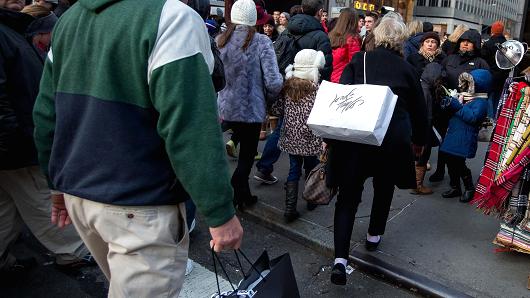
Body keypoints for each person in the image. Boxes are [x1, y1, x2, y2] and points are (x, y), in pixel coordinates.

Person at [32, 0, 244, 296]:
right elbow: (190, 128)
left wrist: (55, 186)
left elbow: (46, 116)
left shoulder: (70, 19)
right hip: (139, 203)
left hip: (80, 194)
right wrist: (220, 213)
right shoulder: (171, 18)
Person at [327, 17, 427, 285]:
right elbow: (419, 111)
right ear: (400, 41)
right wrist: (420, 139)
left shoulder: (359, 60)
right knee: (384, 188)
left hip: (356, 140)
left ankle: (340, 259)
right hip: (390, 143)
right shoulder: (407, 69)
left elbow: (342, 95)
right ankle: (373, 235)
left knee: (348, 198)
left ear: (377, 36)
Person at [0, 0, 95, 276]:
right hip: (16, 143)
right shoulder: (9, 32)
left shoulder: (12, 29)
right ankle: (72, 251)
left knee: (7, 205)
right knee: (38, 196)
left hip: (17, 138)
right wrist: (13, 143)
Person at [216, 0, 283, 209]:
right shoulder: (261, 42)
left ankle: (242, 196)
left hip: (227, 108)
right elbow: (273, 81)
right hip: (252, 108)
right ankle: (238, 183)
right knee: (247, 153)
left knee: (242, 150)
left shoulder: (220, 40)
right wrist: (271, 97)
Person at [270, 49, 324, 222]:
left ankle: (289, 209)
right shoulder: (317, 88)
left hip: (291, 136)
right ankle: (311, 199)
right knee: (311, 167)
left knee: (294, 169)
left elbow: (277, 110)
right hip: (310, 137)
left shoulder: (287, 86)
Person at [431, 29, 489, 182]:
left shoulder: (481, 63)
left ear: (475, 45)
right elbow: (441, 73)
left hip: (466, 108)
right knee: (443, 140)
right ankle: (440, 170)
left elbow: (485, 85)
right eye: (463, 41)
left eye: (469, 42)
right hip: (447, 104)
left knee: (457, 145)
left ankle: (456, 178)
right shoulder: (450, 58)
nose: (465, 43)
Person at [439, 70, 492, 202]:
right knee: (449, 161)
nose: (467, 86)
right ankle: (455, 187)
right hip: (453, 133)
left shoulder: (481, 102)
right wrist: (448, 103)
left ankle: (469, 188)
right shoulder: (465, 97)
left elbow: (473, 118)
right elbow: (455, 111)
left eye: (470, 83)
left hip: (465, 137)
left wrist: (456, 106)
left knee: (459, 164)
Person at [406, 31, 445, 195]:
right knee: (414, 140)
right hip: (414, 104)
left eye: (433, 42)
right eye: (427, 41)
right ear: (422, 44)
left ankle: (417, 182)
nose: (430, 44)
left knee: (426, 142)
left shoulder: (441, 60)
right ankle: (411, 180)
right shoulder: (414, 58)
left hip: (434, 107)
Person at [481, 21, 509, 119]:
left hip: (490, 74)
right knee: (498, 98)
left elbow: (483, 60)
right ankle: (496, 119)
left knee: (488, 97)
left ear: (492, 30)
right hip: (503, 75)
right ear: (502, 31)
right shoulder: (507, 44)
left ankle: (489, 119)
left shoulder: (488, 44)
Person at [329, 8, 361, 83]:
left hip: (330, 78)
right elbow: (355, 64)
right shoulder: (352, 39)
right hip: (344, 80)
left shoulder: (331, 36)